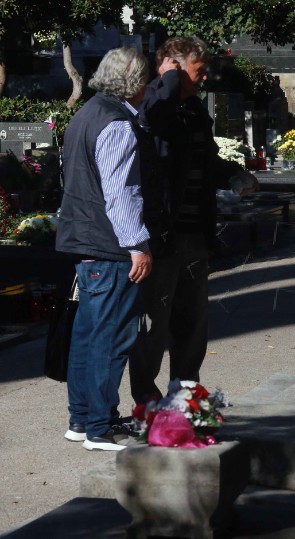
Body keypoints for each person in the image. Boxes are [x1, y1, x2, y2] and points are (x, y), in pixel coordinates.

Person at [129, 36, 257, 404]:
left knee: (193, 321)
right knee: (155, 324)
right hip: (163, 235)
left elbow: (206, 158)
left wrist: (233, 175)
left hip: (194, 233)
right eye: (198, 71)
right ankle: (147, 401)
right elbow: (151, 122)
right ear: (171, 66)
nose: (203, 79)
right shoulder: (154, 100)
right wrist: (167, 80)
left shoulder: (193, 109)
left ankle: (185, 396)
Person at [56, 48, 153, 451]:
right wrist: (137, 246)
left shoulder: (86, 114)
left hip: (84, 242)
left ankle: (82, 420)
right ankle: (100, 426)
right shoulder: (117, 124)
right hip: (110, 246)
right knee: (109, 339)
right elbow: (121, 194)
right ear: (134, 84)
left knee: (87, 336)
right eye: (145, 80)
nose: (148, 88)